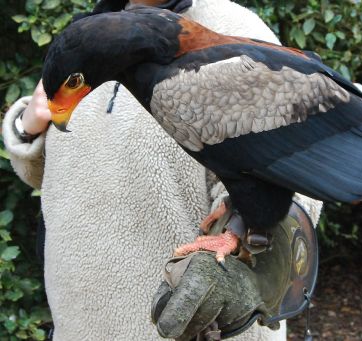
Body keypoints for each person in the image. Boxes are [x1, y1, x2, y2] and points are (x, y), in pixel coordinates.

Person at [2, 0, 323, 340]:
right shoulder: (87, 39)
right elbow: (60, 178)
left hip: (190, 330)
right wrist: (27, 129)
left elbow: (296, 181)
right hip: (78, 326)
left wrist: (246, 253)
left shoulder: (234, 31)